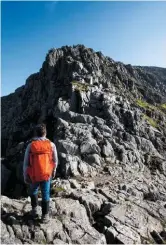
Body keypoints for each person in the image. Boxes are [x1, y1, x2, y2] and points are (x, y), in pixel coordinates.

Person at [23, 123, 58, 223]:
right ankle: (45, 216)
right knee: (45, 194)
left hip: (34, 175)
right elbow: (55, 160)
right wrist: (54, 170)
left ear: (35, 133)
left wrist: (25, 175)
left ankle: (34, 211)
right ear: (45, 133)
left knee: (33, 191)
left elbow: (26, 163)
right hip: (47, 174)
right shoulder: (51, 145)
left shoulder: (31, 145)